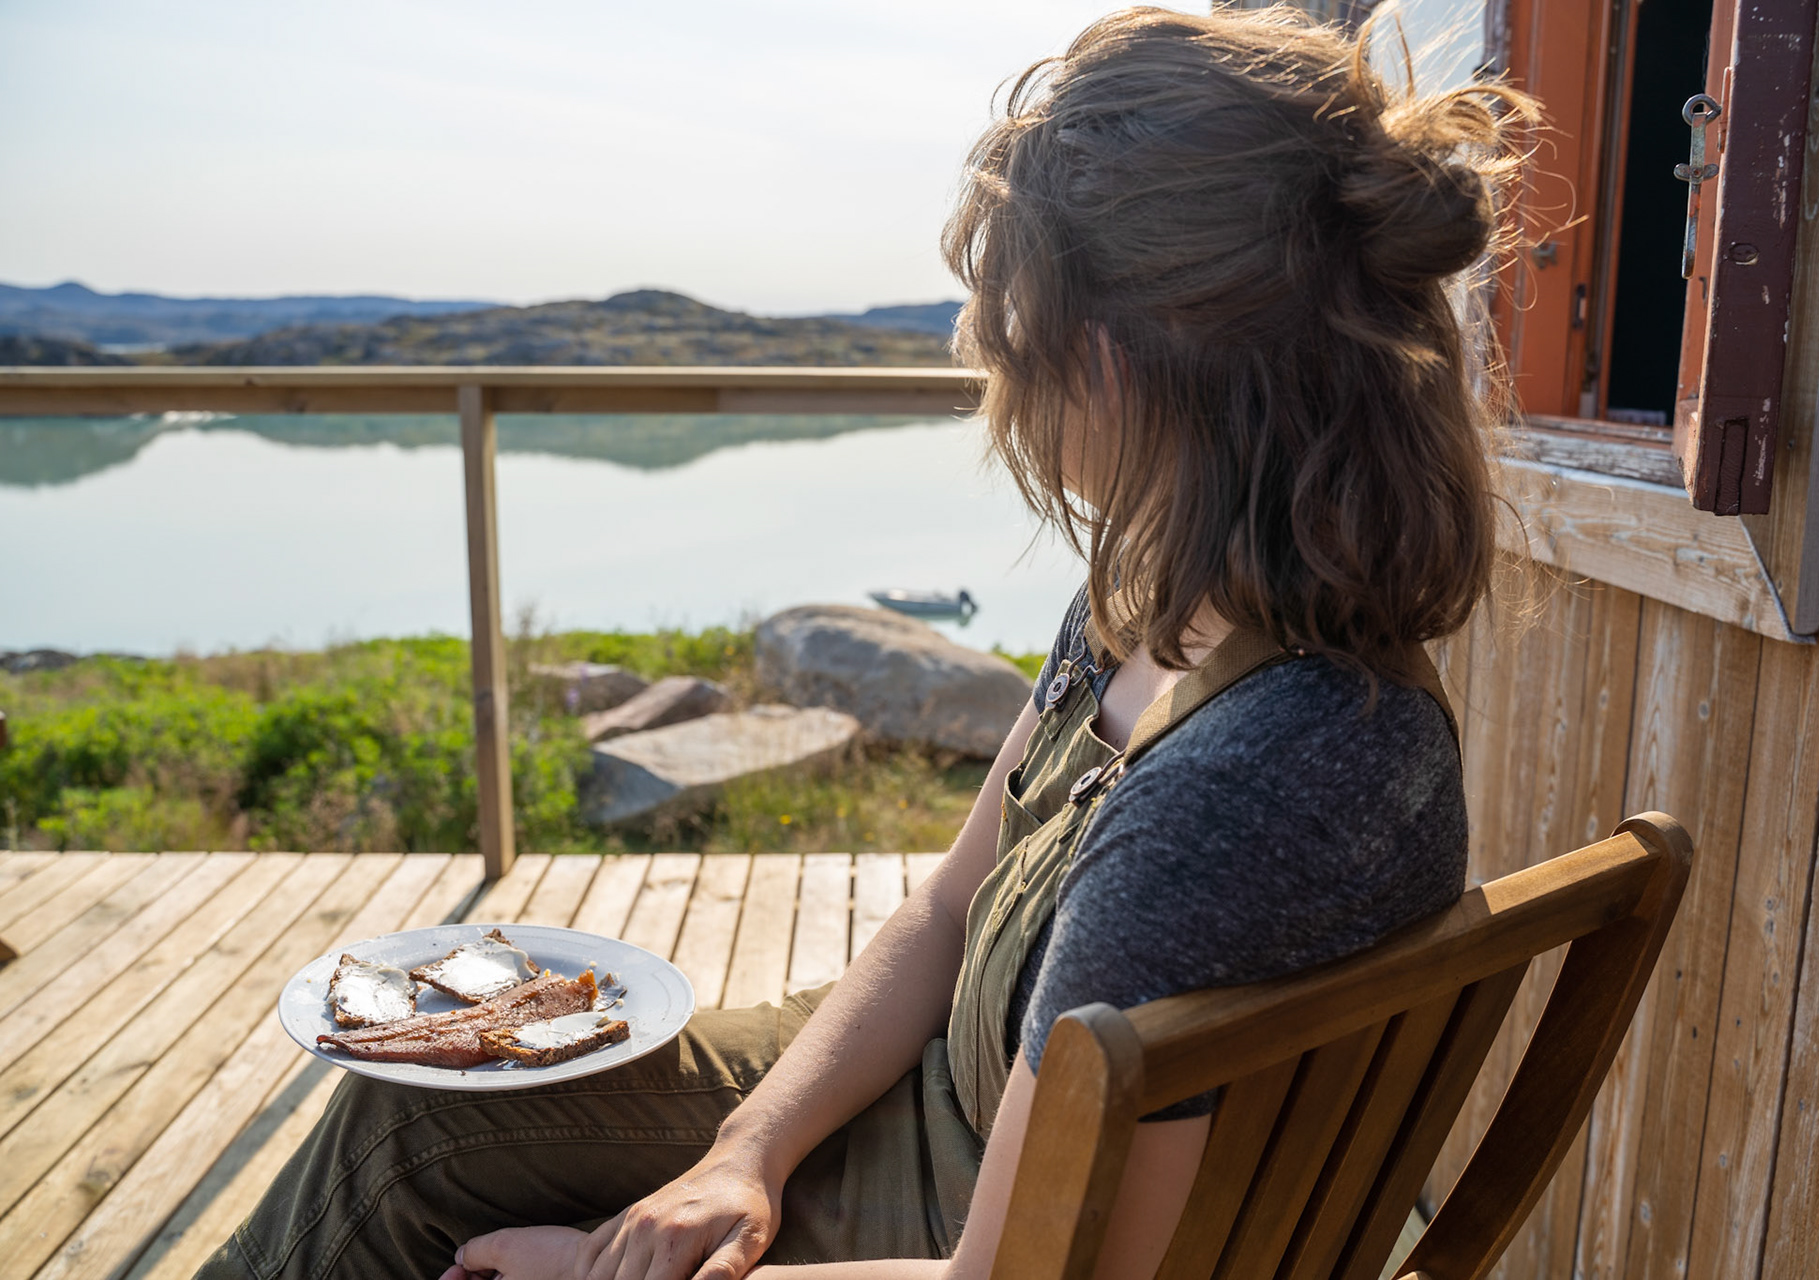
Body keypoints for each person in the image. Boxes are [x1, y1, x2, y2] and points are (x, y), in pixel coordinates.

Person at [196, 7, 1535, 1279]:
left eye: (1011, 335)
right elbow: (952, 907)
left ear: (1113, 362)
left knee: (399, 1173)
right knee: (414, 1118)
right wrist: (744, 1151)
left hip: (964, 1208)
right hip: (951, 1112)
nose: (993, 374)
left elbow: (1013, 1273)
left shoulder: (1235, 796)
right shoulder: (1172, 605)